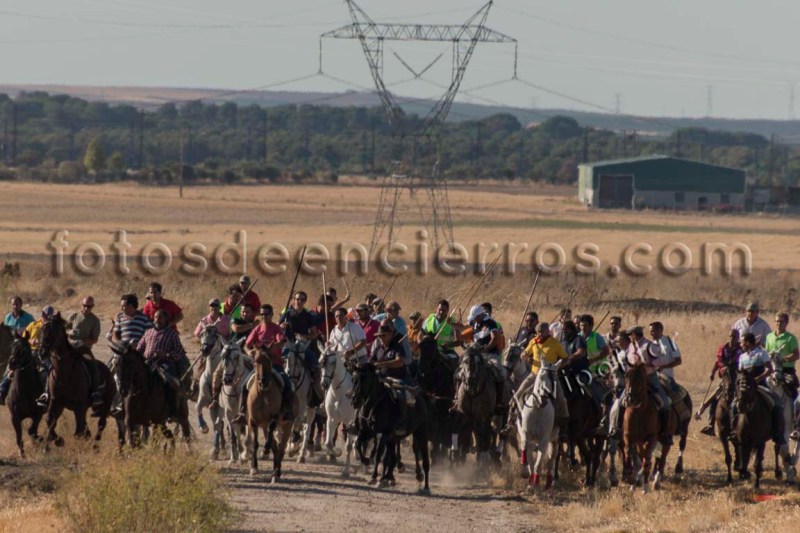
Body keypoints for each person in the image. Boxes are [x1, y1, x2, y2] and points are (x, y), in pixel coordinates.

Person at [230, 304, 292, 423]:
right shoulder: (257, 329)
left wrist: (272, 347)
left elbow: (281, 341)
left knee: (287, 384)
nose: (264, 316)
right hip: (259, 366)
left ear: (272, 315)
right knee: (243, 386)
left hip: (275, 364)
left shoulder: (276, 328)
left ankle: (287, 411)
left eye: (266, 314)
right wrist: (249, 352)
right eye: (262, 314)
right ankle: (242, 413)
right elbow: (246, 345)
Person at [514, 322, 571, 434]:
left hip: (550, 376)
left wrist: (557, 366)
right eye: (537, 332)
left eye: (541, 332)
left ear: (547, 332)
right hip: (535, 374)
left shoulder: (555, 343)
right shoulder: (533, 341)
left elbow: (565, 358)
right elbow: (525, 353)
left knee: (562, 399)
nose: (539, 334)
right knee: (518, 393)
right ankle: (512, 419)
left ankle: (564, 424)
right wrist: (524, 356)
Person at [106, 293, 153, 416]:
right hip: (122, 352)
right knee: (109, 372)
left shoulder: (144, 318)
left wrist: (139, 344)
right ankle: (109, 403)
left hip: (138, 352)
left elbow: (150, 335)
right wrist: (120, 344)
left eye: (124, 306)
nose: (122, 308)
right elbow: (115, 335)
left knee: (152, 373)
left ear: (132, 306)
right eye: (121, 306)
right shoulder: (120, 317)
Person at [136, 310, 189, 416]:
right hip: (147, 363)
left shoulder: (172, 334)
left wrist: (166, 355)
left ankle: (173, 410)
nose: (157, 320)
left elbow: (179, 351)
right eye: (156, 317)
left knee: (170, 382)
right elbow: (139, 348)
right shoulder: (148, 332)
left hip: (165, 363)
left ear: (166, 319)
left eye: (160, 317)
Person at [735, 332, 784, 446]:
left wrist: (756, 379)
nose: (741, 344)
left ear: (748, 342)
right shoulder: (742, 357)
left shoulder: (762, 353)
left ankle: (777, 433)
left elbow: (769, 370)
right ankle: (735, 431)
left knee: (776, 404)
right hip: (745, 388)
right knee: (733, 405)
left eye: (742, 342)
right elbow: (740, 373)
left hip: (760, 386)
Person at [626, 326, 672, 441]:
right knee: (622, 401)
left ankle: (664, 431)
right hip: (633, 379)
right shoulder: (630, 346)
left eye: (630, 335)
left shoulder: (649, 345)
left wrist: (649, 364)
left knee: (665, 403)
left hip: (649, 377)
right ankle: (619, 429)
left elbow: (661, 360)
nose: (629, 337)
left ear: (634, 335)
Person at [0, 305, 53, 405]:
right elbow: (23, 339)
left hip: (44, 355)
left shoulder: (51, 328)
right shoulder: (33, 324)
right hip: (30, 352)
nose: (46, 317)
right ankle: (2, 392)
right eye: (45, 314)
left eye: (48, 315)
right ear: (42, 314)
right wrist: (31, 341)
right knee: (11, 369)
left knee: (47, 374)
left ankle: (45, 397)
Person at [280, 291, 324, 407]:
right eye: (298, 299)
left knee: (315, 365)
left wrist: (304, 336)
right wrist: (281, 327)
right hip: (288, 345)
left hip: (303, 346)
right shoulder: (287, 314)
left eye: (302, 299)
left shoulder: (308, 316)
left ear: (305, 302)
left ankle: (316, 396)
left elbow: (314, 334)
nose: (299, 301)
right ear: (293, 300)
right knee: (275, 363)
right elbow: (277, 329)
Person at [696, 329, 742, 436]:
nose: (732, 339)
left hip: (738, 379)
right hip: (726, 380)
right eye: (731, 336)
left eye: (734, 337)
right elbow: (718, 362)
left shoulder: (741, 350)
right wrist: (712, 372)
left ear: (738, 338)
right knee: (714, 399)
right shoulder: (723, 349)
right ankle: (710, 424)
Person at [467, 304, 507, 414]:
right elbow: (465, 331)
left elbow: (495, 338)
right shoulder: (474, 323)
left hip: (491, 354)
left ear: (480, 315)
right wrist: (455, 326)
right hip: (476, 354)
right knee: (463, 369)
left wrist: (486, 349)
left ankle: (499, 402)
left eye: (475, 317)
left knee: (499, 373)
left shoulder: (490, 323)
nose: (474, 319)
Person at [765, 313, 799, 438]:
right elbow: (767, 352)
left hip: (786, 370)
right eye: (777, 321)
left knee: (794, 394)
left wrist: (783, 359)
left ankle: (796, 424)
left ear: (786, 323)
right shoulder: (769, 337)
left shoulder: (790, 338)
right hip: (771, 370)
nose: (778, 323)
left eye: (781, 321)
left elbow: (796, 354)